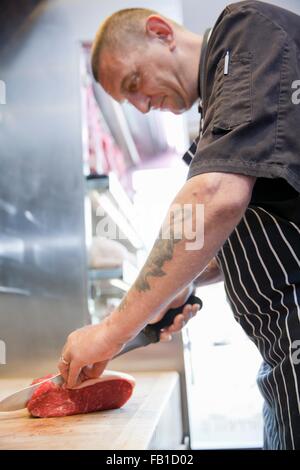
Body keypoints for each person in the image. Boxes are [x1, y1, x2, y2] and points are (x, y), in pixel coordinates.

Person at [58, 1, 300, 449]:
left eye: (134, 84)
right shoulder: (218, 115)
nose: (143, 106)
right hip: (280, 360)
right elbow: (262, 229)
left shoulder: (243, 31)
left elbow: (213, 197)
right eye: (129, 101)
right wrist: (176, 289)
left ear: (161, 32)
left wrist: (113, 330)